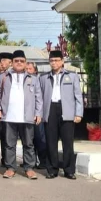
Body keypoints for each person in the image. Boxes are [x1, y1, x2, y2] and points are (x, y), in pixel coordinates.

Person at [0, 50, 43, 179]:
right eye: (16, 61)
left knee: (28, 144)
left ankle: (29, 168)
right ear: (12, 63)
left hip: (27, 117)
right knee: (9, 144)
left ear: (25, 63)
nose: (19, 63)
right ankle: (10, 168)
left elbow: (39, 97)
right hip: (9, 116)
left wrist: (38, 113)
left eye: (22, 61)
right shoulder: (4, 76)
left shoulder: (33, 78)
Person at [40, 50, 83, 180]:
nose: (54, 63)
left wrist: (78, 113)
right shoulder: (43, 77)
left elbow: (78, 96)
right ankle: (52, 169)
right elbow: (40, 97)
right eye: (51, 61)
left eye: (57, 60)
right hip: (50, 109)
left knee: (68, 142)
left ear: (62, 61)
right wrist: (39, 114)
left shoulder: (72, 76)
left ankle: (69, 170)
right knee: (50, 141)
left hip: (67, 110)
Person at [26, 61, 48, 169]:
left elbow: (41, 98)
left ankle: (43, 161)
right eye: (27, 69)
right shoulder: (24, 80)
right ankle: (31, 161)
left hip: (38, 115)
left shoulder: (40, 80)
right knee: (29, 139)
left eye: (30, 69)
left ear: (35, 70)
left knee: (40, 139)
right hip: (27, 115)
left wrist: (39, 113)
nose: (28, 71)